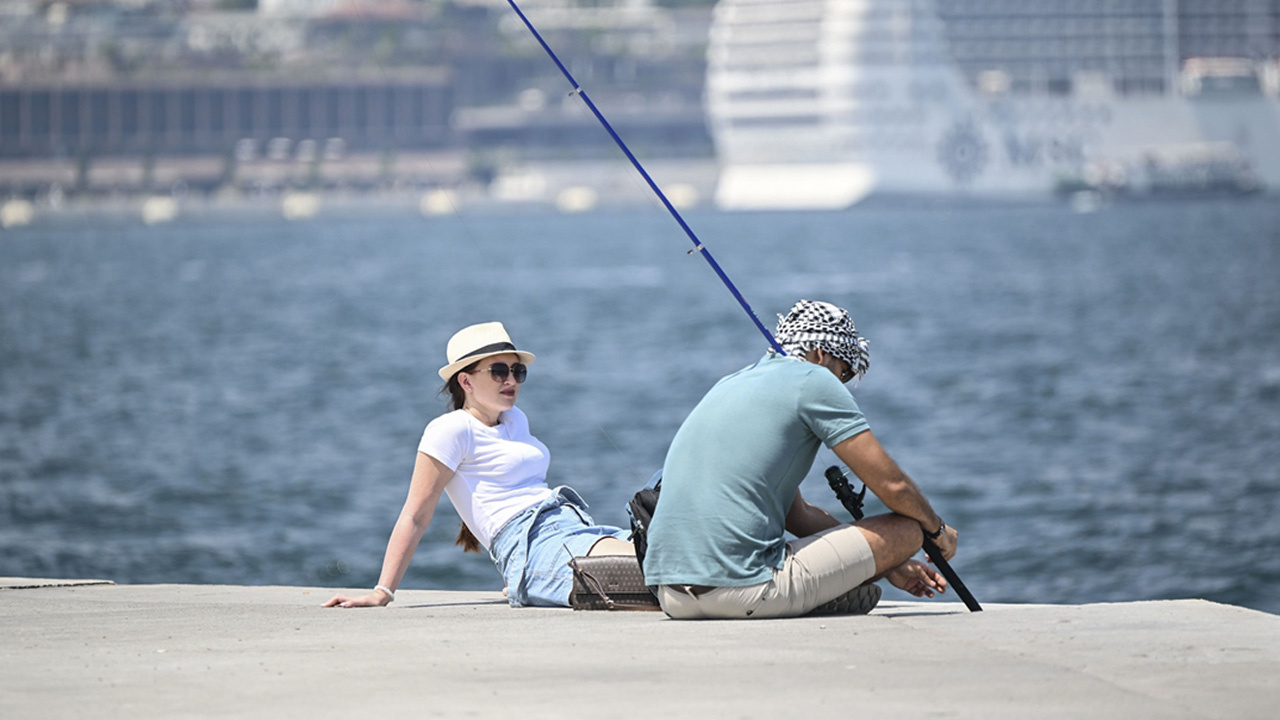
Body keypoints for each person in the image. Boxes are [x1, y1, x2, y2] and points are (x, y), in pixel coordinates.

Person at [642, 299, 960, 619]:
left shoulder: (732, 383)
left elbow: (800, 517)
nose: (843, 383)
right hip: (741, 589)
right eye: (845, 372)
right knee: (907, 529)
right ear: (822, 355)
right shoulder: (814, 379)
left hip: (672, 596)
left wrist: (888, 562)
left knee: (892, 541)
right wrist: (937, 528)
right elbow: (892, 485)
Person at [324, 322, 631, 609]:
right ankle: (532, 575)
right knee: (655, 567)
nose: (511, 380)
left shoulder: (515, 419)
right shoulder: (452, 430)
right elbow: (415, 515)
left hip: (573, 524)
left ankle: (536, 575)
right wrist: (382, 592)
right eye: (499, 371)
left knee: (665, 545)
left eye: (517, 371)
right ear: (466, 381)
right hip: (532, 540)